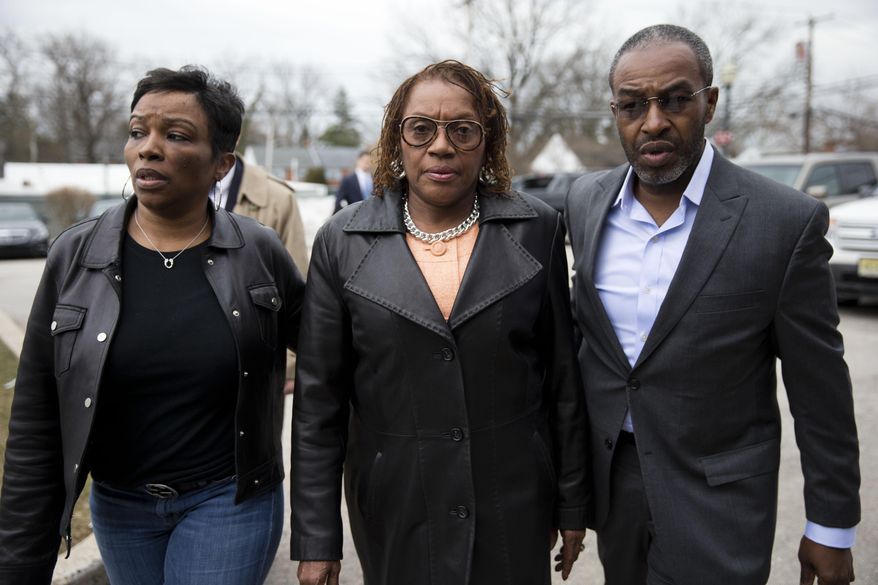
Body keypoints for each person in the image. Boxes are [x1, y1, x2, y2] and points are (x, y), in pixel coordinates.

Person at [565, 24, 860, 585]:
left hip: (719, 501)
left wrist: (831, 526)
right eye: (632, 105)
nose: (653, 121)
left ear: (710, 103)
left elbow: (820, 390)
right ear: (615, 111)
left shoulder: (784, 222)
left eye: (676, 99)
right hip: (616, 488)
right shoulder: (585, 201)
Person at [0, 66, 305, 585]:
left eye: (177, 135)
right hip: (120, 506)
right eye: (138, 131)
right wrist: (18, 563)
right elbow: (36, 415)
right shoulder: (74, 256)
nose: (149, 148)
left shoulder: (258, 252)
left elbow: (333, 357)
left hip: (228, 500)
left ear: (222, 164)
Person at [291, 60, 589, 585]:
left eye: (463, 130)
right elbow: (318, 405)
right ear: (396, 139)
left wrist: (571, 504)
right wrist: (316, 539)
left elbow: (562, 382)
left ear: (487, 141)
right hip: (396, 503)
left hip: (512, 502)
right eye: (421, 129)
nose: (442, 146)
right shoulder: (342, 241)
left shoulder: (537, 229)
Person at [214, 153, 309, 393]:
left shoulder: (278, 198)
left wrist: (291, 366)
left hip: (255, 373)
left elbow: (297, 288)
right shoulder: (160, 192)